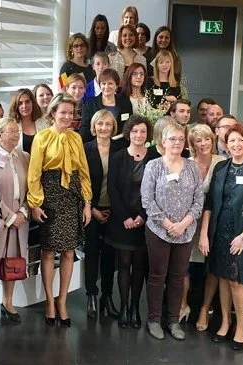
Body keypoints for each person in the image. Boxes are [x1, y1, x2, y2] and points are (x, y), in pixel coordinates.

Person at [200, 125, 243, 350]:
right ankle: (225, 322)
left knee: (236, 280)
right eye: (231, 141)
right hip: (220, 231)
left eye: (240, 140)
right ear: (226, 144)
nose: (236, 145)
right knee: (221, 277)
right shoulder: (221, 167)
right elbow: (210, 202)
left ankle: (240, 326)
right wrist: (205, 234)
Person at [27, 93, 92, 327]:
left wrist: (87, 203)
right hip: (49, 196)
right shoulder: (41, 137)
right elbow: (34, 173)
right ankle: (48, 301)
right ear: (53, 113)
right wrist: (35, 203)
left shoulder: (76, 138)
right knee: (47, 251)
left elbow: (83, 173)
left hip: (72, 196)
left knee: (68, 252)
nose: (66, 116)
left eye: (70, 112)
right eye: (62, 112)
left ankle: (62, 300)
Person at [141, 121, 204, 340]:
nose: (177, 142)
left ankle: (174, 321)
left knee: (178, 277)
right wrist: (168, 225)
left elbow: (199, 200)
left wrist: (184, 224)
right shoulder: (154, 166)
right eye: (172, 139)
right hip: (158, 231)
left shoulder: (193, 167)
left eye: (180, 138)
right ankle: (154, 320)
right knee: (157, 276)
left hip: (185, 231)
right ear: (162, 142)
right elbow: (147, 201)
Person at [0, 118, 30, 329]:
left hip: (22, 218)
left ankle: (8, 302)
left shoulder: (24, 156)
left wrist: (23, 212)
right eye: (11, 131)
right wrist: (10, 216)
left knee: (14, 260)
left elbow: (32, 189)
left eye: (17, 131)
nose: (16, 134)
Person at [107, 115, 153, 328]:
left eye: (143, 131)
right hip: (121, 220)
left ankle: (135, 307)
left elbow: (156, 190)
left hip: (145, 220)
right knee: (124, 264)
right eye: (135, 131)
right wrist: (125, 217)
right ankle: (124, 306)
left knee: (140, 266)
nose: (139, 135)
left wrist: (143, 216)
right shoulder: (116, 157)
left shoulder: (154, 157)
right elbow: (112, 190)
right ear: (128, 133)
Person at [181, 124, 225, 328]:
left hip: (217, 221)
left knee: (212, 268)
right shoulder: (186, 164)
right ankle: (183, 306)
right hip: (190, 222)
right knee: (184, 266)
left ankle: (204, 309)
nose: (203, 143)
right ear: (192, 144)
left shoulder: (223, 162)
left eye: (207, 139)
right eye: (198, 140)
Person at [83, 110, 120, 319]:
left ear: (113, 126)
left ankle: (107, 295)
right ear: (94, 126)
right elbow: (80, 181)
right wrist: (93, 208)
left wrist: (114, 209)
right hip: (91, 209)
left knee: (109, 254)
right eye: (100, 124)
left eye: (107, 124)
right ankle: (91, 295)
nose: (104, 128)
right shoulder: (86, 149)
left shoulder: (120, 149)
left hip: (113, 210)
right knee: (91, 252)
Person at [79, 68, 133, 144]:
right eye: (103, 83)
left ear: (117, 85)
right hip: (96, 146)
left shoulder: (125, 103)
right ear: (99, 85)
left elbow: (129, 126)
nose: (106, 87)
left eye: (110, 83)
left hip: (120, 146)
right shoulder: (89, 103)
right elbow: (85, 127)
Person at [8, 88, 47, 154]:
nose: (24, 106)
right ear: (16, 106)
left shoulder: (44, 124)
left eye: (27, 102)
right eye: (20, 103)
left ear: (33, 103)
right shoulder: (11, 126)